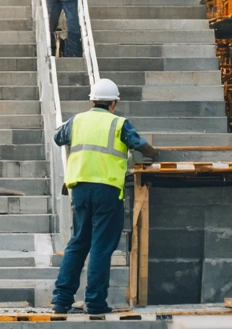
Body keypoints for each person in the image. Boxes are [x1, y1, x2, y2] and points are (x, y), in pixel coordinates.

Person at [52, 78, 159, 315]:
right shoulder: (119, 123)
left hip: (79, 188)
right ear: (113, 103)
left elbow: (58, 138)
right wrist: (154, 153)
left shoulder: (78, 120)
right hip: (107, 191)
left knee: (78, 243)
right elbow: (138, 143)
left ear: (92, 100)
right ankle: (95, 302)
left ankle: (61, 300)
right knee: (101, 246)